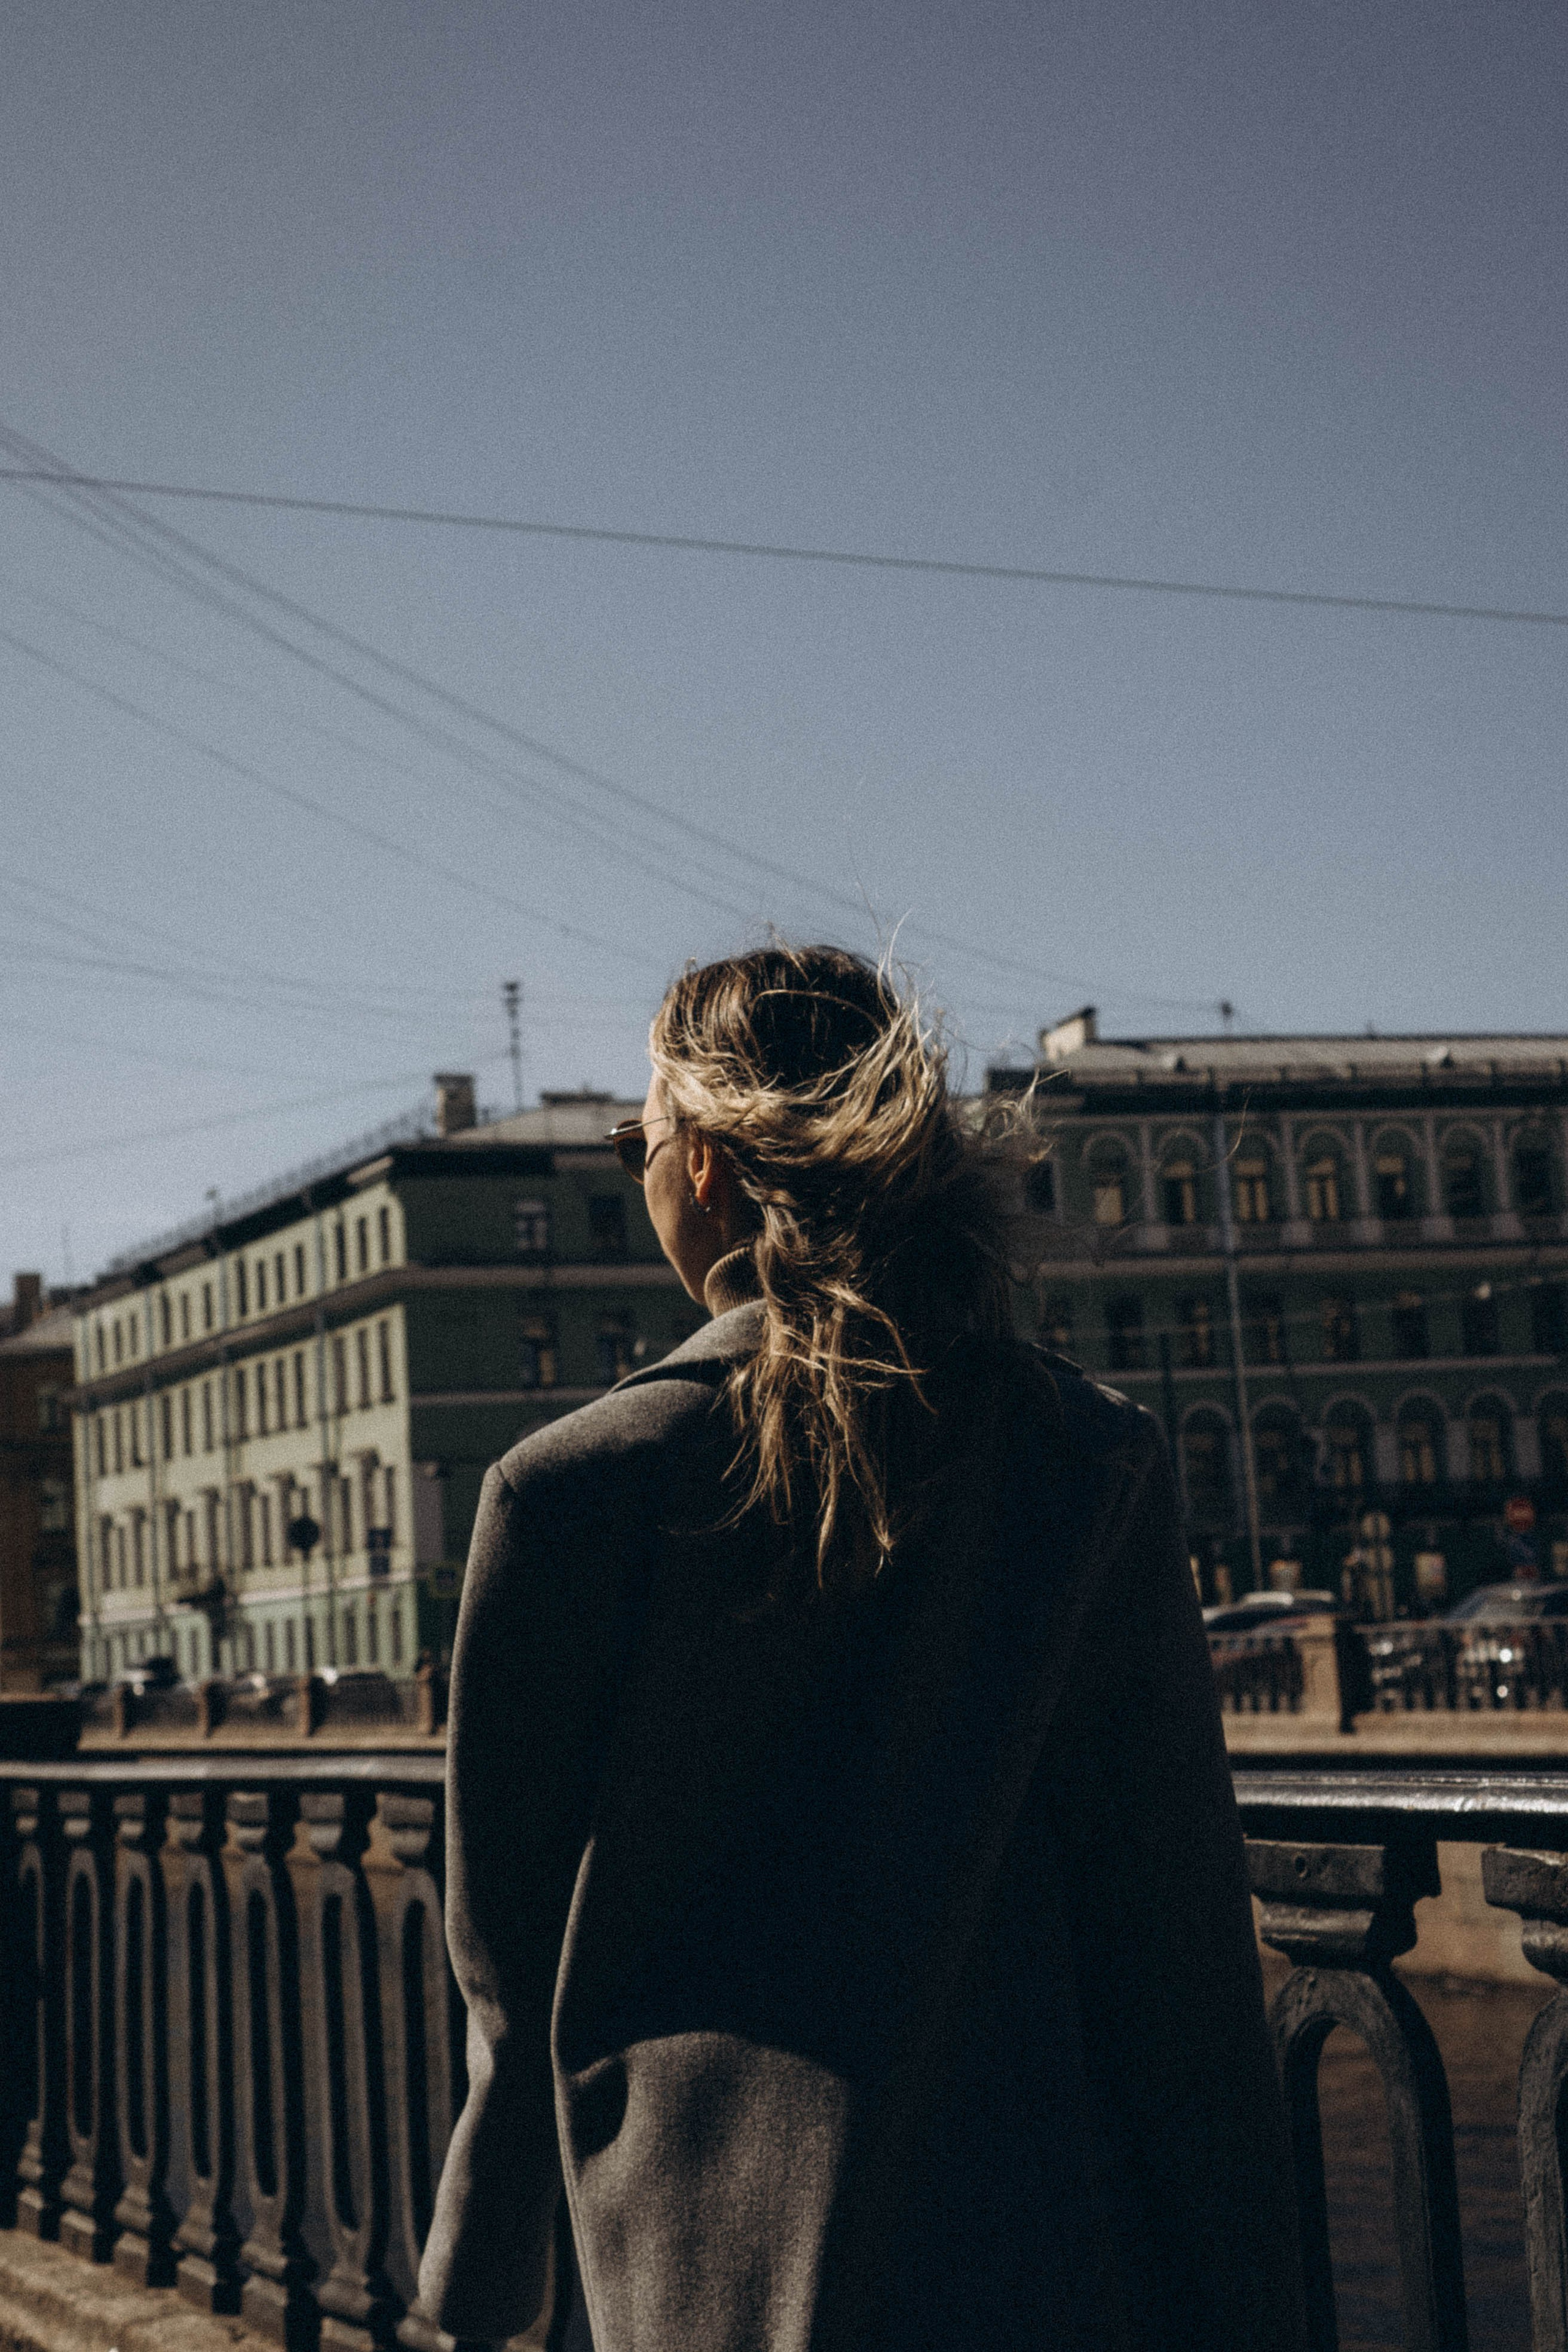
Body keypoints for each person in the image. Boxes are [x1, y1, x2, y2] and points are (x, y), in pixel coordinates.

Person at [418, 944, 1306, 2352]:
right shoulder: (1088, 1462)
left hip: (690, 2263)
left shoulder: (567, 1490)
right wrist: (1251, 2299)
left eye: (635, 1138)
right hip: (1035, 2252)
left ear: (700, 1161)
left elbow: (508, 1972)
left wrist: (478, 2280)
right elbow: (1175, 1947)